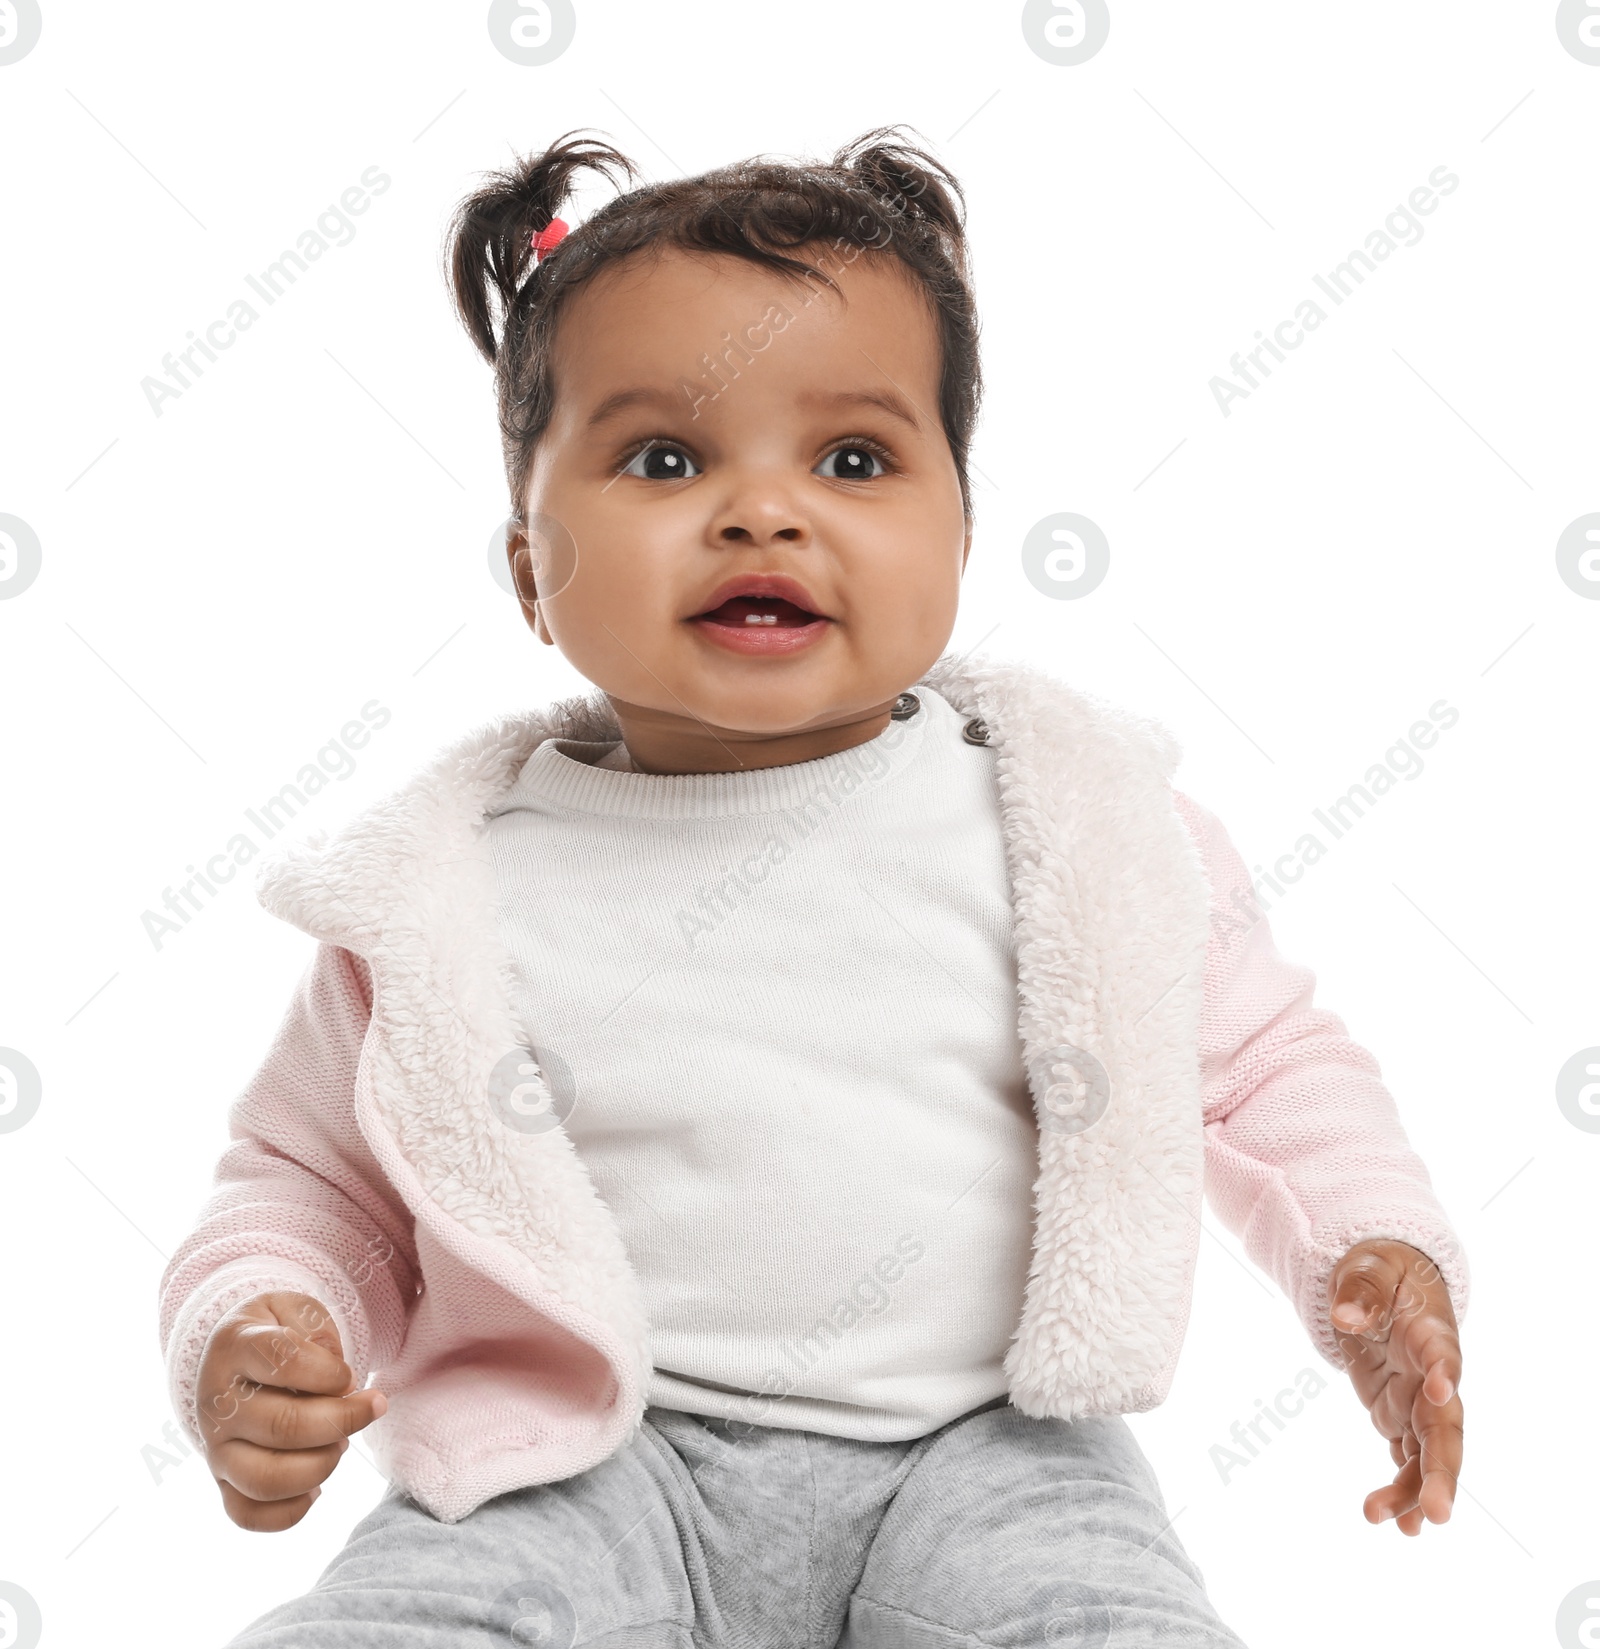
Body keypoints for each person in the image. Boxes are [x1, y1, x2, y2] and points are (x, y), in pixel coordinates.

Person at [160, 128, 1468, 1648]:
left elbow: (1266, 1078)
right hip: (581, 1460)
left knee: (1104, 1620)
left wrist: (1373, 1258)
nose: (761, 512)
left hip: (985, 1453)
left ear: (960, 535)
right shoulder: (444, 890)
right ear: (528, 563)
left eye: (852, 459)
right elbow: (307, 1186)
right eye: (664, 458)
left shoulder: (1075, 822)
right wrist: (260, 1330)